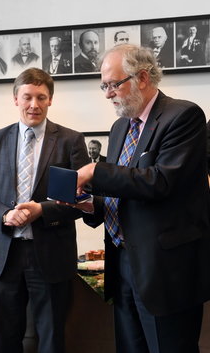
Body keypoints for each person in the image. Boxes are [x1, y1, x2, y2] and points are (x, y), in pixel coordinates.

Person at [73, 44, 210, 353]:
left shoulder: (183, 115)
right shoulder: (120, 126)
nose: (107, 94)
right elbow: (124, 192)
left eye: (112, 84)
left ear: (143, 78)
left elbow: (159, 182)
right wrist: (91, 204)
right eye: (103, 86)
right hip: (122, 264)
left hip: (166, 272)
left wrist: (96, 169)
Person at [0, 67, 89, 353]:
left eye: (41, 97)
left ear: (50, 100)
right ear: (15, 99)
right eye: (27, 97)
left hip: (50, 254)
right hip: (5, 256)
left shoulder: (71, 141)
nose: (34, 104)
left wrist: (42, 210)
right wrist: (4, 215)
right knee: (6, 341)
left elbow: (83, 199)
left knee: (51, 340)